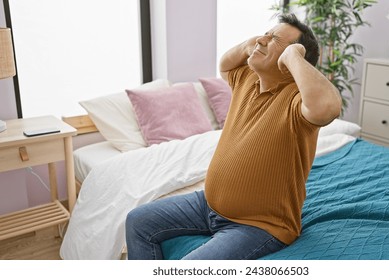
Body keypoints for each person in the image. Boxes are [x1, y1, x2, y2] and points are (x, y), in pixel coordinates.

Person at [125, 13, 341, 260]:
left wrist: (293, 56)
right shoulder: (248, 80)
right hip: (207, 205)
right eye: (266, 34)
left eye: (275, 40)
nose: (262, 40)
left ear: (292, 60)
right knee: (137, 221)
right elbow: (225, 64)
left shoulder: (297, 101)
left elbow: (328, 107)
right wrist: (252, 43)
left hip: (258, 226)